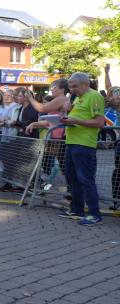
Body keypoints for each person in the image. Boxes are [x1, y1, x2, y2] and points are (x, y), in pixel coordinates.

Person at [58, 72, 106, 226]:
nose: (72, 89)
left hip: (84, 144)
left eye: (74, 86)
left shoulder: (94, 96)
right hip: (72, 142)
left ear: (85, 84)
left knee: (85, 179)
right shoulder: (77, 98)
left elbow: (99, 123)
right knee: (72, 177)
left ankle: (94, 214)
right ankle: (77, 209)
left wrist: (75, 120)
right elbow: (77, 117)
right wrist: (66, 115)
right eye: (70, 87)